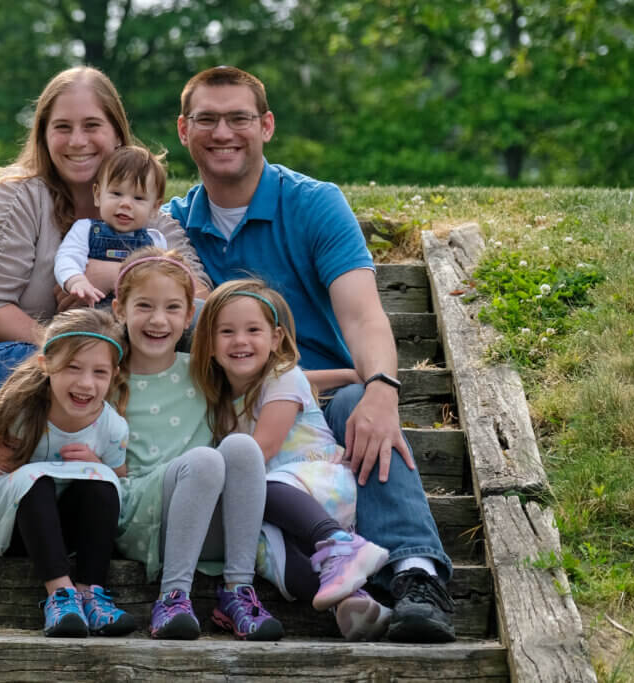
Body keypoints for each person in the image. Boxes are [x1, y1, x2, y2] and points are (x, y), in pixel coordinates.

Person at [163, 65, 456, 643]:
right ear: (183, 130)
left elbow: (363, 314)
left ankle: (416, 572)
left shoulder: (314, 204)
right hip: (224, 407)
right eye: (208, 119)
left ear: (266, 125)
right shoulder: (171, 228)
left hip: (319, 402)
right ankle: (350, 592)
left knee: (361, 405)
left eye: (239, 118)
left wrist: (382, 388)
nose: (224, 132)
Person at [0, 66, 206, 359]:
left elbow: (203, 304)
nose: (77, 141)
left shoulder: (149, 219)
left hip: (97, 389)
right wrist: (78, 348)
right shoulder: (16, 199)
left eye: (91, 125)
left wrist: (115, 275)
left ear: (117, 134)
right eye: (62, 127)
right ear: (44, 136)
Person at [190, 279, 392, 640]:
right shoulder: (221, 398)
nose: (240, 341)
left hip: (316, 486)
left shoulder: (283, 378)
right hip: (273, 506)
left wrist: (354, 376)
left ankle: (339, 544)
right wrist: (346, 374)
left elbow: (260, 452)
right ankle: (352, 602)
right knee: (273, 558)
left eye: (253, 330)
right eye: (226, 332)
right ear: (208, 345)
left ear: (276, 338)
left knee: (255, 482)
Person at [108, 247, 283, 642]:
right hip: (143, 520)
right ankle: (172, 597)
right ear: (119, 309)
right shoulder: (106, 374)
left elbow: (275, 370)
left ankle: (238, 591)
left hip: (205, 522)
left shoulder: (201, 371)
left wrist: (364, 378)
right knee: (204, 459)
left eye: (172, 308)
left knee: (241, 446)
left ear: (190, 316)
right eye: (144, 306)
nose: (158, 320)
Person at [0, 308, 137, 638]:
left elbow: (119, 476)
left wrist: (96, 463)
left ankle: (90, 592)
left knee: (102, 482)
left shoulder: (111, 425)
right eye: (73, 367)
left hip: (66, 534)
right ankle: (60, 596)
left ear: (114, 374)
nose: (86, 383)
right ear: (46, 364)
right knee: (37, 480)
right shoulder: (18, 407)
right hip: (11, 528)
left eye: (99, 372)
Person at [54, 145, 168, 306]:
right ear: (98, 195)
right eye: (116, 193)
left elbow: (166, 279)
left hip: (136, 318)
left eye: (138, 198)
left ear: (155, 208)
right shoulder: (85, 229)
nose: (126, 204)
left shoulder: (156, 241)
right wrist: (76, 280)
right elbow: (67, 258)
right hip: (91, 314)